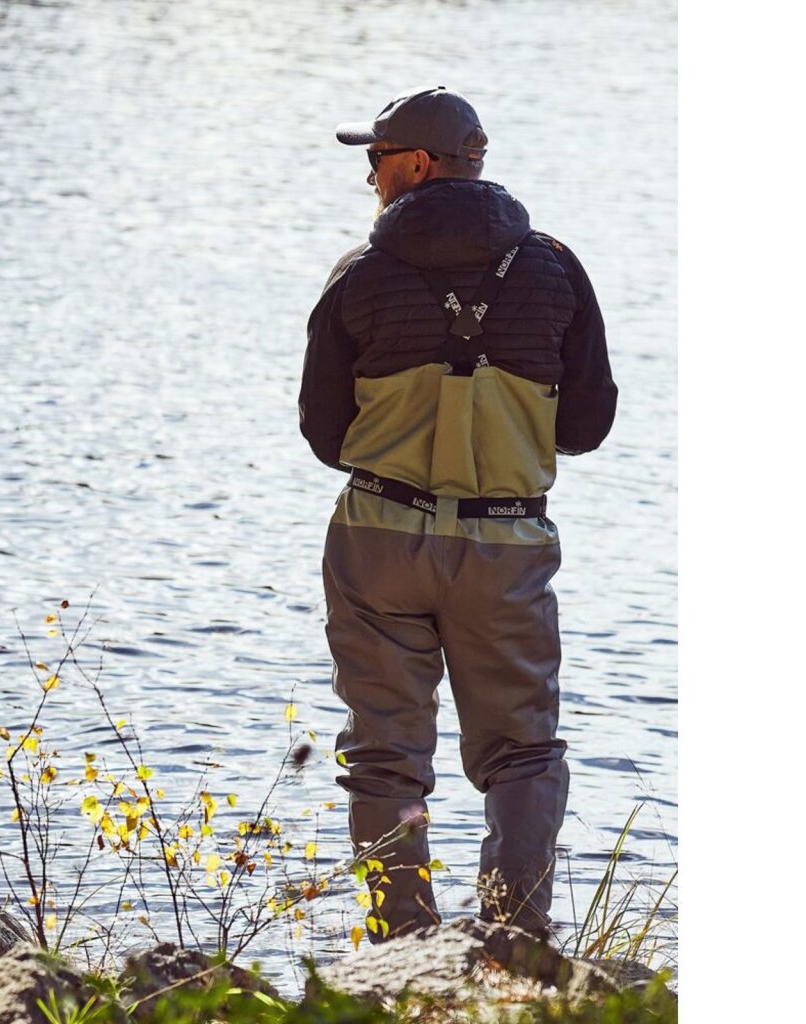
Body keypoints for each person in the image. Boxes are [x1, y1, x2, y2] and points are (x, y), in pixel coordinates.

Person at [299, 86, 617, 941]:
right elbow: (587, 427)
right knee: (522, 751)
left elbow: (323, 431)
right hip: (506, 542)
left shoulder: (359, 274)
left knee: (384, 755)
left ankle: (402, 947)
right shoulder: (556, 268)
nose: (370, 178)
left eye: (375, 161)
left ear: (415, 164)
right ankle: (513, 942)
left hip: (378, 536)